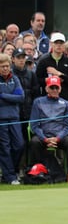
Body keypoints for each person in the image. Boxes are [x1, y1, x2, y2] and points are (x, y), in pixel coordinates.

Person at [29, 76, 68, 183]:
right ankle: (40, 172)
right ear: (46, 89)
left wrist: (58, 138)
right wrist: (45, 139)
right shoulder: (38, 102)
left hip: (59, 136)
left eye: (57, 88)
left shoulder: (65, 104)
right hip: (43, 135)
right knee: (34, 142)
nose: (54, 90)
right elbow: (34, 125)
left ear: (60, 89)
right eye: (52, 87)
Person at [34, 32, 68, 103]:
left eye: (61, 43)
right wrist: (49, 80)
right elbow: (37, 80)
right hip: (47, 100)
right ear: (51, 44)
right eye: (56, 43)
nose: (59, 45)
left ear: (64, 45)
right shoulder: (44, 61)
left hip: (65, 99)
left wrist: (59, 74)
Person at [0, 53, 24, 185]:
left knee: (19, 145)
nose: (5, 69)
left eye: (7, 66)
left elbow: (20, 97)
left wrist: (3, 95)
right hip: (1, 119)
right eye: (2, 66)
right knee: (5, 147)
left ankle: (10, 171)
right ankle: (10, 176)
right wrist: (11, 96)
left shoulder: (15, 78)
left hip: (14, 117)